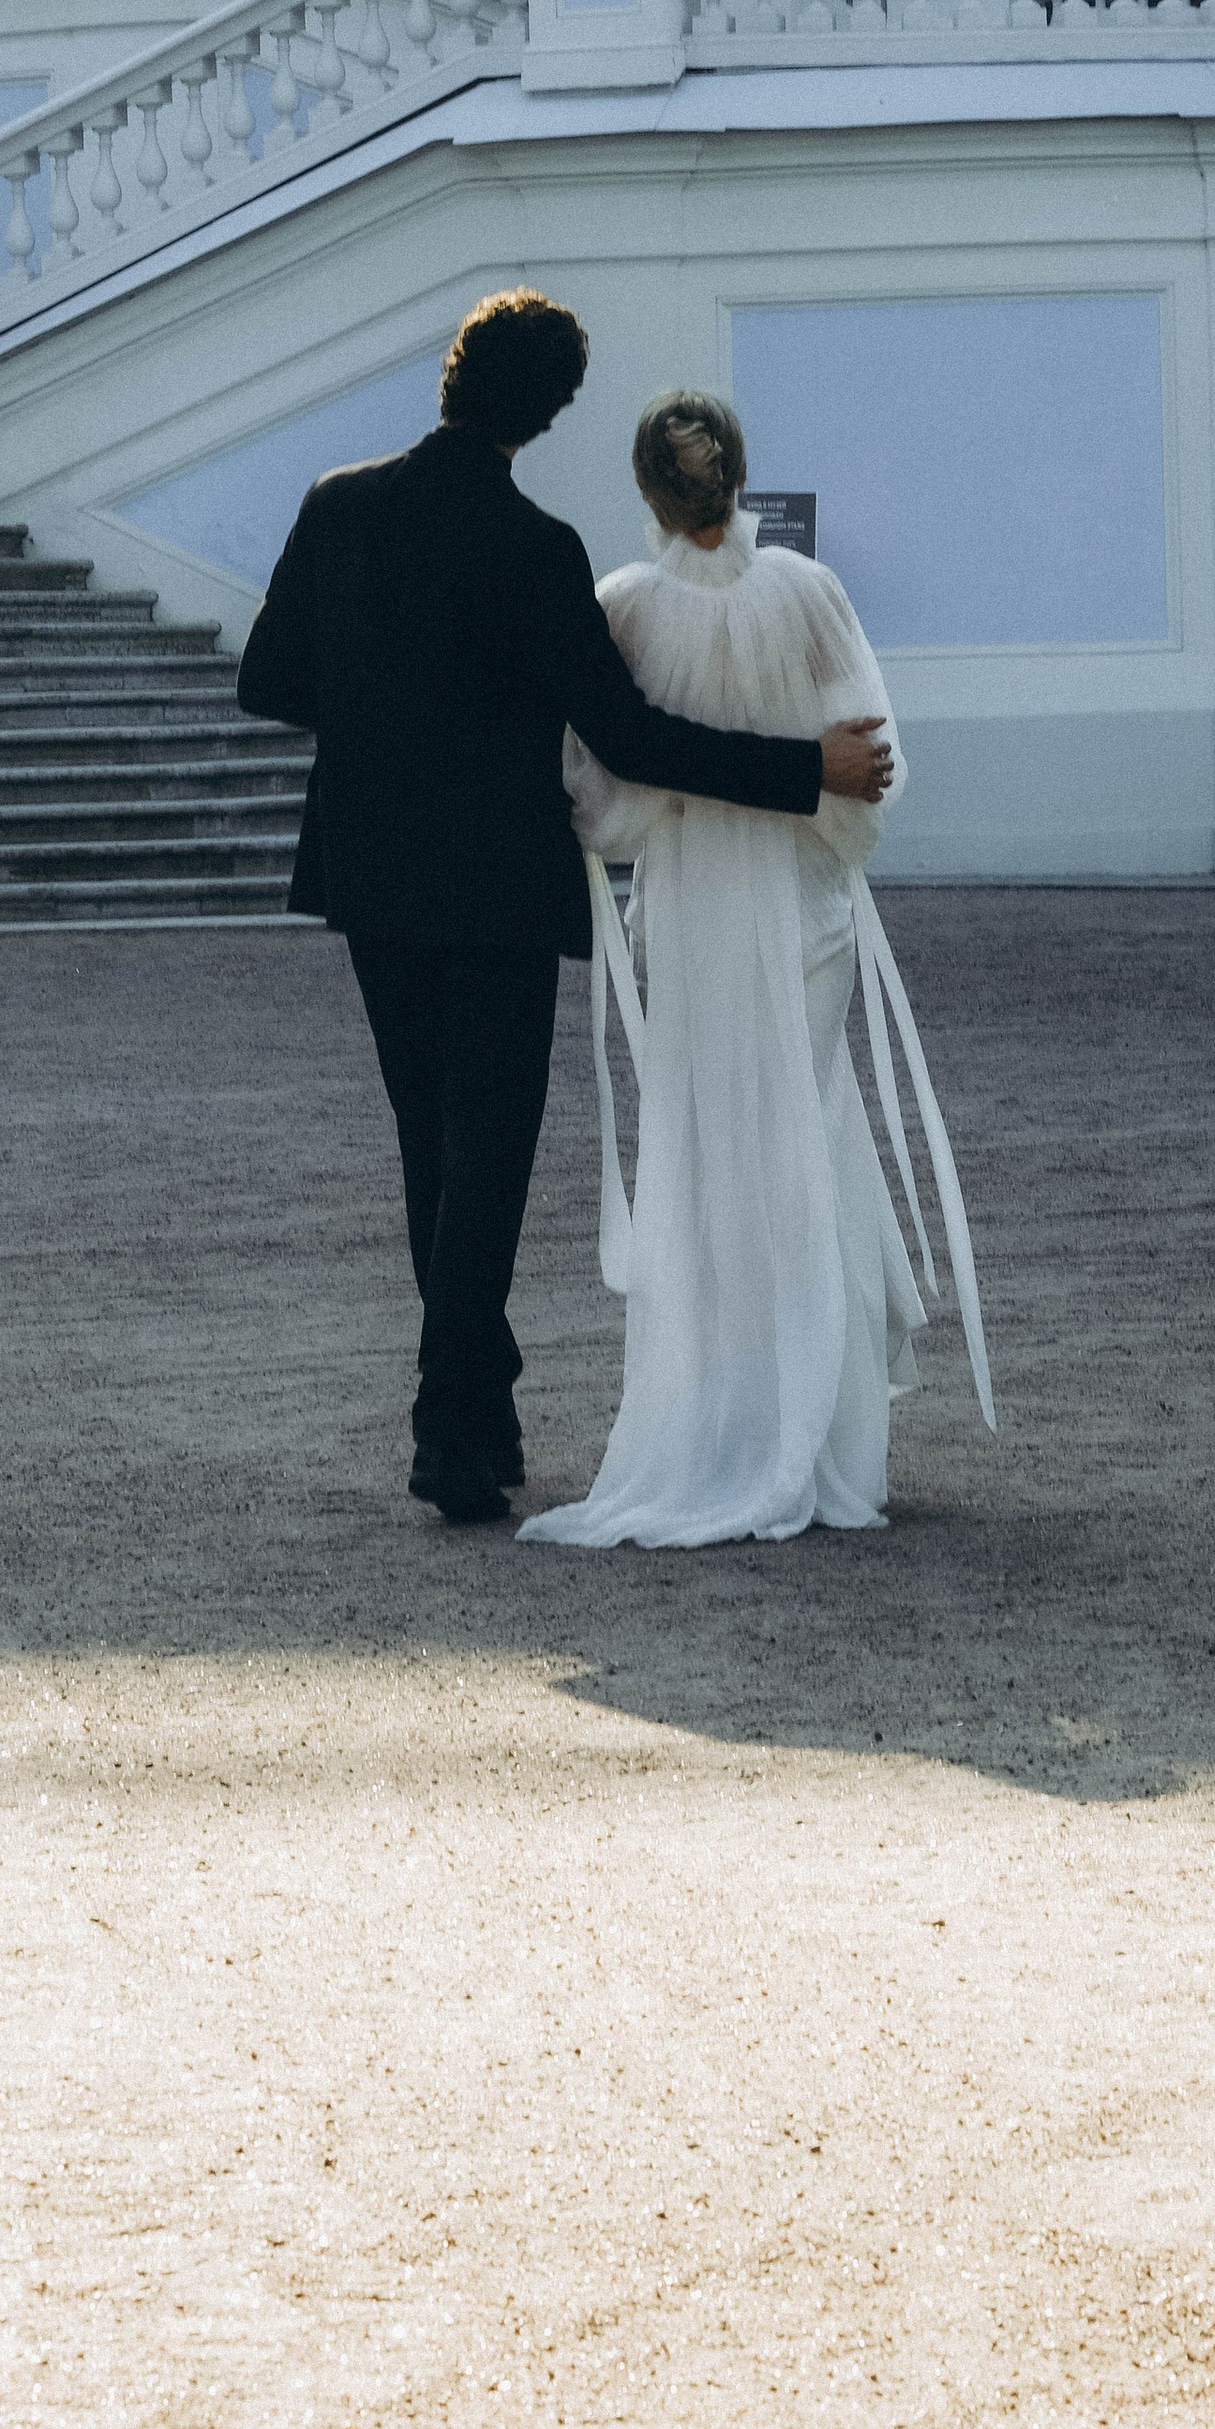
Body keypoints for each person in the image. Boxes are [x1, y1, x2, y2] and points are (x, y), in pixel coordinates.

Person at [234, 292, 897, 1525]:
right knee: (485, 1157)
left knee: (430, 1146)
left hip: (372, 878)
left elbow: (266, 681)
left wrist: (384, 703)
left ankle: (472, 1418)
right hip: (490, 881)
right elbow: (633, 736)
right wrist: (802, 771)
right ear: (543, 417)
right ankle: (450, 1427)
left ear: (451, 376)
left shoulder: (337, 505)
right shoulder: (534, 549)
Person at [521, 388, 993, 1553]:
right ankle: (833, 1437)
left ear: (647, 491)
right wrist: (807, 807)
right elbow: (869, 779)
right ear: (739, 474)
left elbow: (596, 802)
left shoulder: (621, 611)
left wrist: (670, 795)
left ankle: (725, 1412)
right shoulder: (810, 595)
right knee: (808, 1130)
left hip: (685, 911)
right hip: (798, 908)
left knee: (710, 1144)